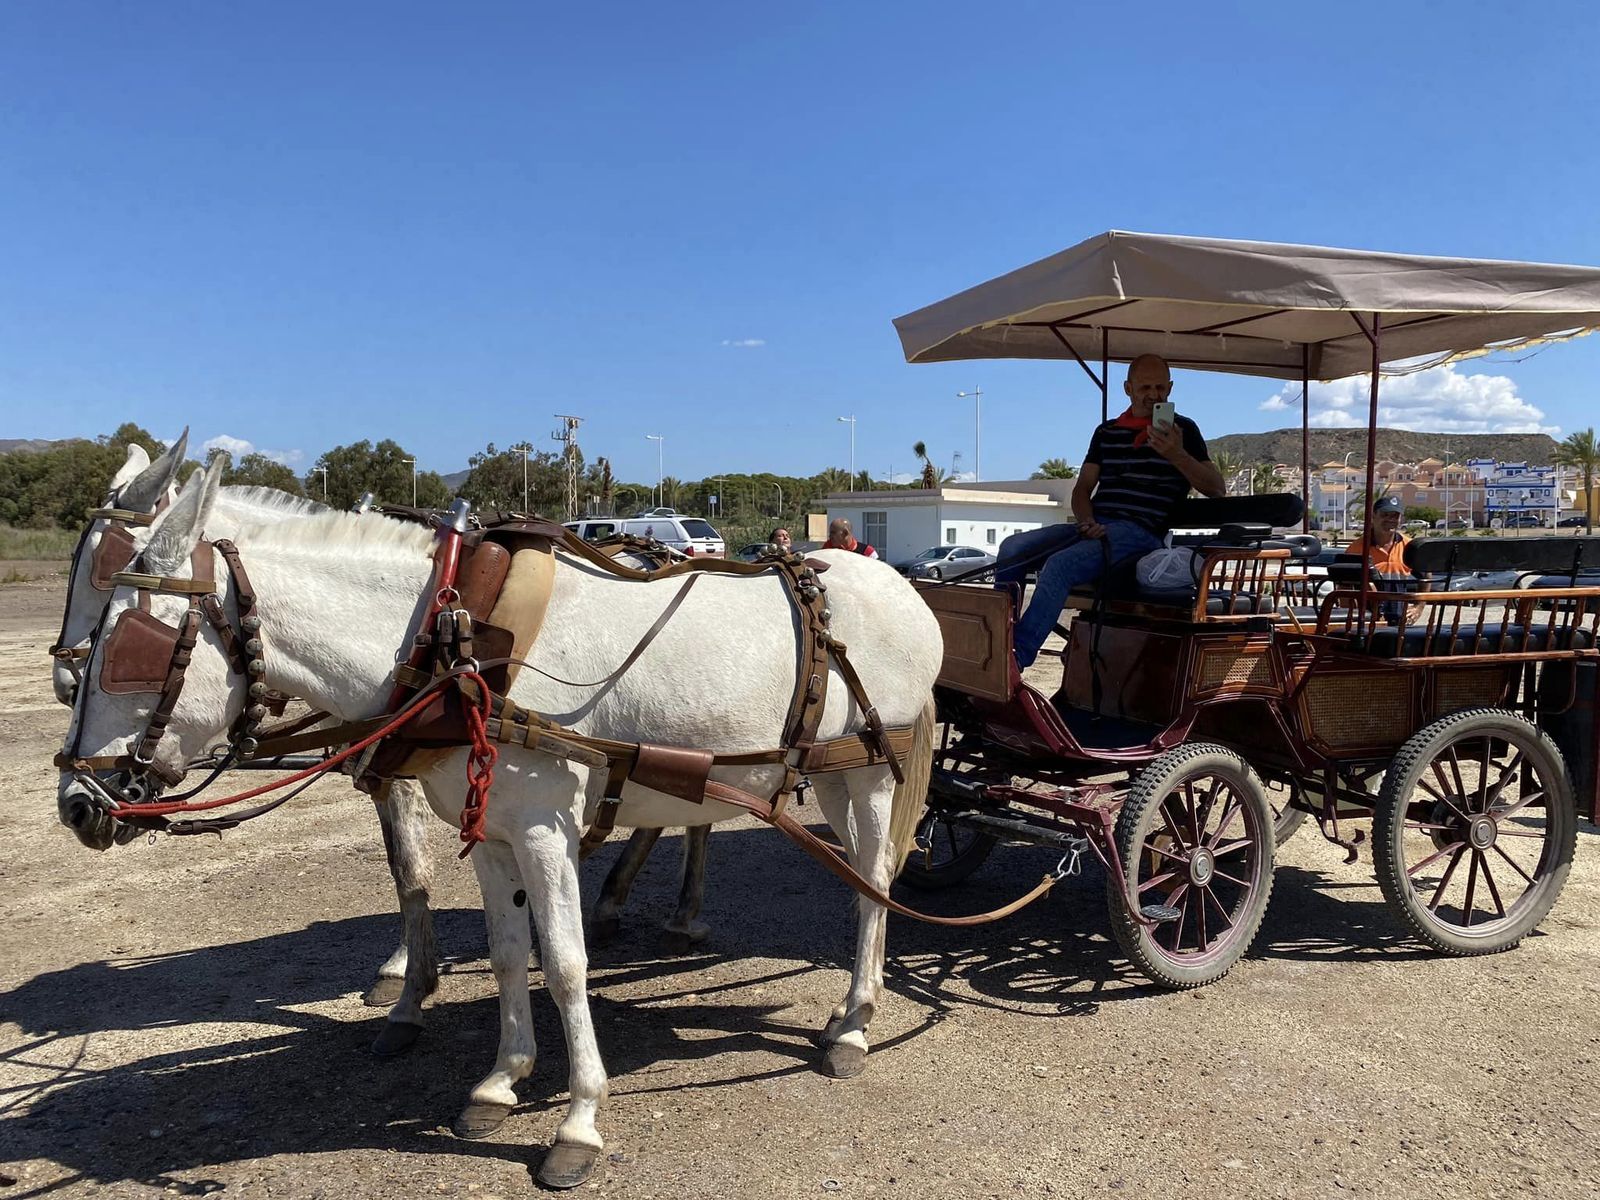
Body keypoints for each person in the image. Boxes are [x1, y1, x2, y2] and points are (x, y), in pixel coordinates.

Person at [995, 354, 1225, 669]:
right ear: (1128, 389)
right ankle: (997, 641)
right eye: (1145, 387)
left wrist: (1177, 454)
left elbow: (1216, 488)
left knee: (1059, 565)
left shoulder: (1184, 430)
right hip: (1096, 525)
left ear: (1170, 388)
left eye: (1160, 387)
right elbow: (1082, 489)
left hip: (1141, 534)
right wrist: (1086, 521)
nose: (1153, 395)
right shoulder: (1106, 432)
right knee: (1012, 548)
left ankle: (1012, 660)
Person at [1343, 494, 1423, 622]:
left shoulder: (1410, 546)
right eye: (1385, 515)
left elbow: (1426, 575)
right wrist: (1353, 615)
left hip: (1400, 621)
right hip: (1367, 621)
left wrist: (1418, 607)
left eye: (1395, 516)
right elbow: (1344, 587)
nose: (1390, 519)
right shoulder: (1356, 549)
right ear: (1373, 516)